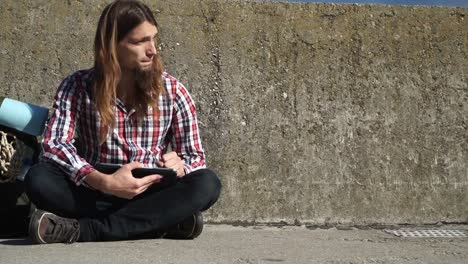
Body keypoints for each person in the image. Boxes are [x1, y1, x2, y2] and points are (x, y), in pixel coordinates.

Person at [24, 0, 221, 244]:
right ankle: (160, 223)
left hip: (150, 192)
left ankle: (84, 230)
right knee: (39, 178)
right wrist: (104, 181)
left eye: (153, 38)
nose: (153, 50)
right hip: (95, 190)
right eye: (140, 42)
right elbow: (54, 145)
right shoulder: (76, 86)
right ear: (112, 47)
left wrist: (182, 165)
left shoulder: (173, 91)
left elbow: (196, 157)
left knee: (207, 183)